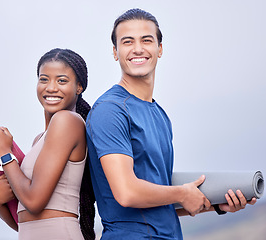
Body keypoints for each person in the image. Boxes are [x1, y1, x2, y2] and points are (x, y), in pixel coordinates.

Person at [86, 8, 256, 239]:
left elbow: (161, 202)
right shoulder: (110, 110)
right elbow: (126, 193)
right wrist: (182, 193)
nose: (138, 49)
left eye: (146, 40)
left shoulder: (160, 115)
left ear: (160, 49)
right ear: (115, 52)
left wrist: (215, 205)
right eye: (128, 42)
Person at [0, 48, 95, 240]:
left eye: (62, 80)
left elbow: (34, 202)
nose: (51, 87)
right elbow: (26, 221)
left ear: (79, 87)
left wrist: (5, 154)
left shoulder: (67, 121)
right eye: (44, 79)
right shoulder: (39, 139)